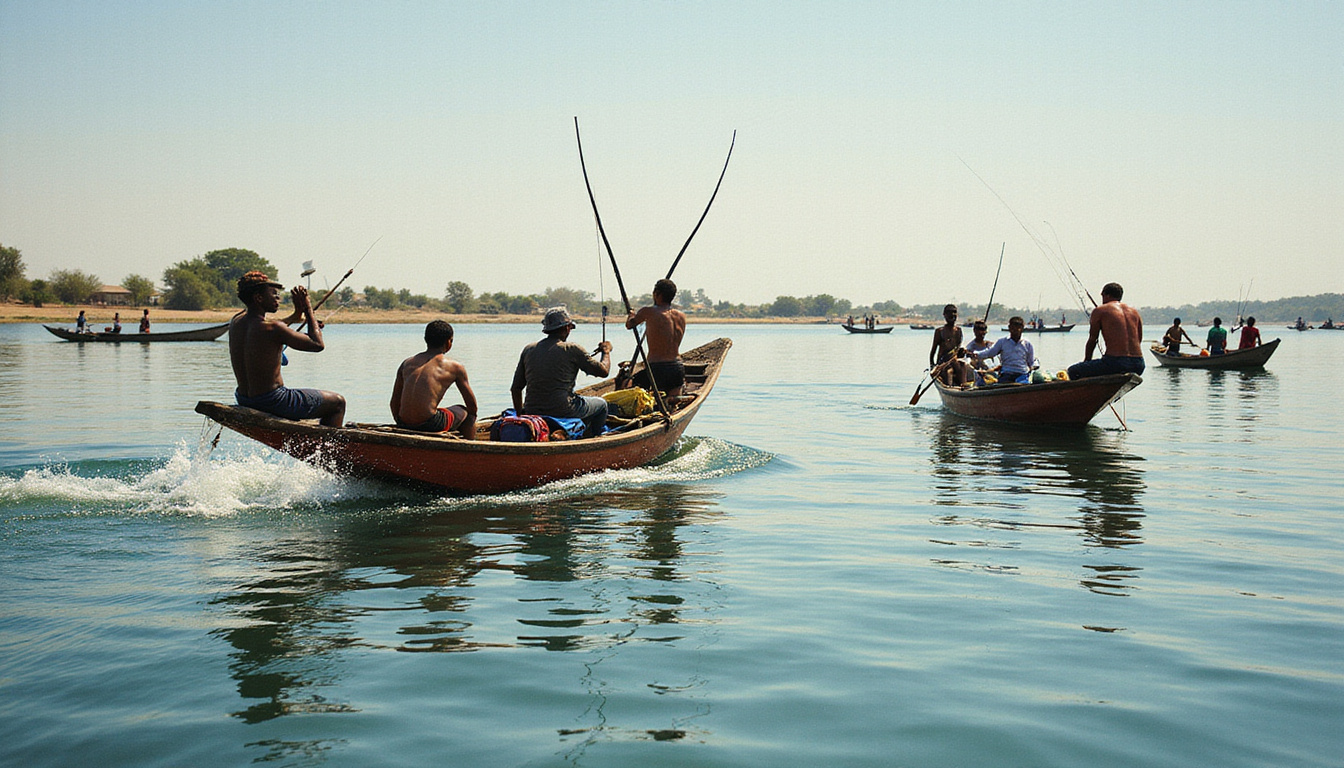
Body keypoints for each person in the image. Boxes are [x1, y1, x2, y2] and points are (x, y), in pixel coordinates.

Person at [229, 271, 346, 427]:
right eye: (273, 294)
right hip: (274, 401)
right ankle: (328, 450)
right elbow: (317, 344)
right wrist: (307, 308)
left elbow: (266, 329)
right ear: (258, 298)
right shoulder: (274, 329)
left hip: (244, 398)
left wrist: (295, 316)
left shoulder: (235, 323)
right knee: (338, 403)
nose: (278, 297)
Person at [511, 307, 612, 438]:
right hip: (564, 408)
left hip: (532, 410)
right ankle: (599, 438)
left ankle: (571, 432)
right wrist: (606, 352)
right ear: (566, 328)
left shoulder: (529, 349)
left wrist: (521, 417)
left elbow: (516, 389)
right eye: (570, 327)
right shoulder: (572, 349)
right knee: (602, 404)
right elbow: (604, 371)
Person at [390, 320, 477, 437]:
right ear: (448, 343)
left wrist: (401, 422)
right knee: (466, 411)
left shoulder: (407, 363)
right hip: (431, 424)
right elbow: (473, 406)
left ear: (426, 339)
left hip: (403, 422)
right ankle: (470, 449)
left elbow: (394, 403)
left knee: (442, 411)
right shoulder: (455, 367)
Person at [1066, 282, 1146, 380]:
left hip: (1115, 363)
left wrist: (1087, 361)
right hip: (1138, 364)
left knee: (1073, 371)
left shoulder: (1100, 311)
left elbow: (1092, 340)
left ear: (1106, 295)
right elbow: (1139, 339)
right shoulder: (1134, 312)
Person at [624, 278, 687, 398]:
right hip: (677, 367)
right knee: (673, 401)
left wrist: (631, 315)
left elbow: (630, 324)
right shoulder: (681, 316)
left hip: (657, 368)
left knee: (627, 385)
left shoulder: (648, 312)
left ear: (657, 294)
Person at [968, 316, 1036, 383]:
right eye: (1012, 328)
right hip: (1007, 373)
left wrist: (1032, 369)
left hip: (1022, 374)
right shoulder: (1002, 342)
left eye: (1017, 329)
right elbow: (990, 353)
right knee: (1000, 384)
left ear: (1022, 329)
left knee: (1025, 383)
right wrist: (975, 354)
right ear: (1009, 328)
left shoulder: (1027, 344)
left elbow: (1031, 362)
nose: (1014, 331)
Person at [929, 304, 967, 385]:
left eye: (954, 312)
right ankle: (950, 388)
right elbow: (933, 351)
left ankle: (964, 387)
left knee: (963, 365)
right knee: (949, 371)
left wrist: (962, 352)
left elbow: (958, 349)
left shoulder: (958, 331)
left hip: (954, 361)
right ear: (944, 315)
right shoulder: (940, 331)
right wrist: (932, 366)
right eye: (949, 313)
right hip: (943, 362)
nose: (952, 315)